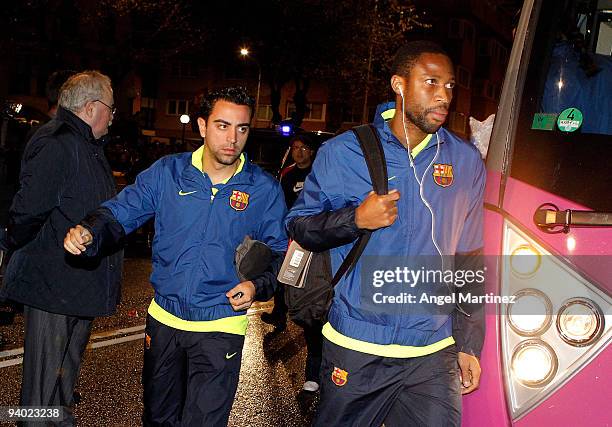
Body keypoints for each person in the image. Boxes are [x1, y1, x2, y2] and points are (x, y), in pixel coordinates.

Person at [285, 41, 486, 426]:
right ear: (399, 84)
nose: (443, 95)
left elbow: (470, 259)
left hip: (432, 350)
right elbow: (300, 226)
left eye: (449, 85)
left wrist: (469, 344)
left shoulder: (465, 161)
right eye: (431, 82)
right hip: (357, 346)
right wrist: (355, 219)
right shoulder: (343, 152)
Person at [63, 86, 288, 426]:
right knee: (158, 419)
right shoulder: (169, 172)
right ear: (202, 126)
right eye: (222, 126)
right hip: (165, 320)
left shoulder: (263, 189)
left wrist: (258, 286)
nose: (233, 138)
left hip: (221, 323)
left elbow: (278, 253)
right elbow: (124, 210)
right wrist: (90, 231)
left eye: (242, 128)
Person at [0, 70, 120, 425]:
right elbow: (29, 209)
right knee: (40, 392)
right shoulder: (57, 142)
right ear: (91, 107)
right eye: (111, 109)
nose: (113, 117)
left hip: (76, 287)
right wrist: (8, 243)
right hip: (53, 285)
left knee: (61, 387)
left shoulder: (85, 144)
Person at [261, 135, 315, 331]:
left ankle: (310, 318)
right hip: (289, 233)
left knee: (309, 277)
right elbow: (278, 203)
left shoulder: (318, 173)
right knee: (283, 273)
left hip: (311, 233)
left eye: (303, 148)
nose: (299, 152)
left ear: (311, 151)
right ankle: (279, 314)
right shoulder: (287, 173)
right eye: (295, 148)